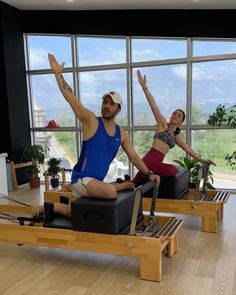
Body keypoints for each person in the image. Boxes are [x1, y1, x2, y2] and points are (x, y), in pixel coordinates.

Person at [32, 54, 160, 218]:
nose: (106, 106)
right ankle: (115, 186)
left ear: (118, 109)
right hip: (81, 179)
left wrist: (149, 173)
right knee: (110, 192)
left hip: (94, 184)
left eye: (111, 103)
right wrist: (58, 74)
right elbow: (71, 99)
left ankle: (48, 208)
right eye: (105, 102)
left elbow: (134, 157)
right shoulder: (91, 122)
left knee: (76, 214)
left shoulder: (121, 134)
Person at [132, 70, 215, 187]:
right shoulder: (162, 124)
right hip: (149, 160)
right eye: (174, 113)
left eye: (179, 115)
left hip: (154, 163)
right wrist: (144, 87)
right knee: (172, 170)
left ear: (181, 122)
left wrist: (202, 160)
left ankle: (124, 183)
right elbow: (153, 105)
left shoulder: (175, 136)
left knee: (133, 184)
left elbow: (187, 148)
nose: (175, 115)